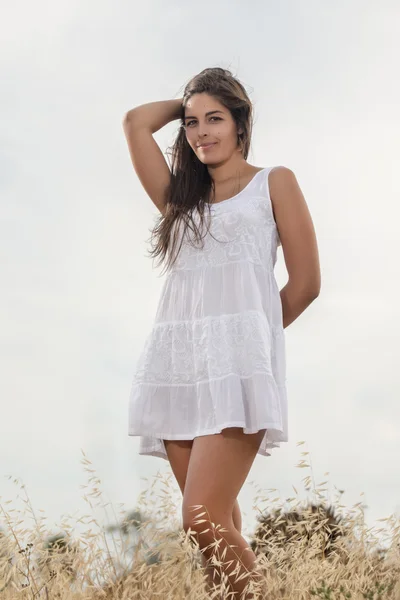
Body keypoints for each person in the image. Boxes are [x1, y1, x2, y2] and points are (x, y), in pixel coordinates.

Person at [122, 67, 321, 599]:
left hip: (237, 369)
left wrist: (250, 347)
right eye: (191, 123)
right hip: (177, 366)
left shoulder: (272, 181)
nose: (203, 131)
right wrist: (185, 101)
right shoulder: (180, 201)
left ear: (239, 123)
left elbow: (304, 285)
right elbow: (136, 123)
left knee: (201, 516)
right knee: (216, 534)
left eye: (216, 118)